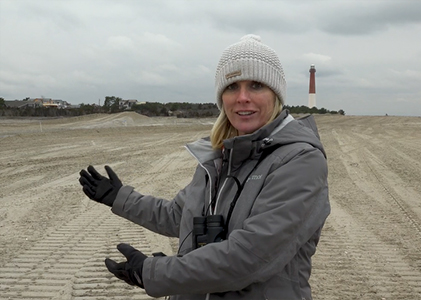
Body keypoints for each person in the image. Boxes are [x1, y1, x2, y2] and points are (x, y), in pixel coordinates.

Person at [79, 34, 330, 300]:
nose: (242, 97)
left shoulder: (300, 160)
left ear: (276, 94)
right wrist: (119, 198)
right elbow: (179, 216)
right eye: (232, 86)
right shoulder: (222, 157)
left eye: (256, 85)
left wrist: (154, 272)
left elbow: (249, 257)